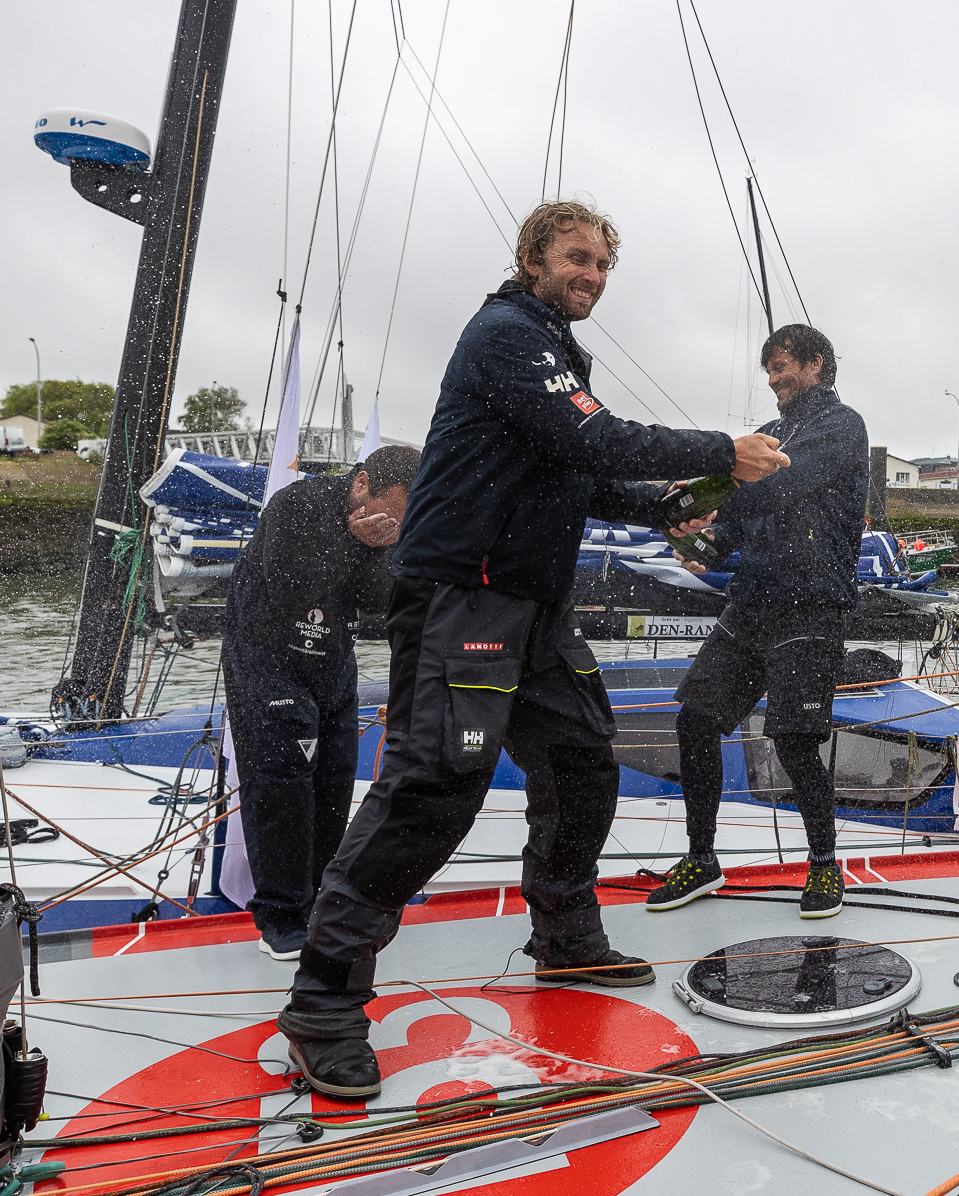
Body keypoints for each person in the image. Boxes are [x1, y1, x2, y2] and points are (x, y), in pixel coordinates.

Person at [275, 199, 789, 1099]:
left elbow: (573, 471)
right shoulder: (507, 334)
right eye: (576, 258)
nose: (590, 275)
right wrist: (720, 448)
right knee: (434, 787)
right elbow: (590, 436)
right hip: (464, 594)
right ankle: (322, 1003)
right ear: (534, 258)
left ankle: (566, 939)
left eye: (602, 265)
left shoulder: (553, 350)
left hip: (533, 606)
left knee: (586, 759)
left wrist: (670, 502)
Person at [648, 324, 868, 918]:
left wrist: (714, 499)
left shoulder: (843, 428)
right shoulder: (767, 434)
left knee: (795, 742)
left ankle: (825, 864)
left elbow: (787, 486)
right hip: (754, 602)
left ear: (817, 364)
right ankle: (702, 859)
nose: (774, 380)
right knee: (696, 720)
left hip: (813, 605)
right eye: (768, 370)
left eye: (784, 367)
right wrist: (704, 541)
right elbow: (738, 528)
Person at [222, 445, 422, 960]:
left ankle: (319, 902)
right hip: (266, 655)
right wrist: (354, 540)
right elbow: (293, 589)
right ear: (362, 485)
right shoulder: (298, 504)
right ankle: (280, 914)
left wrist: (380, 550)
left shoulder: (385, 529)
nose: (391, 525)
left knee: (335, 780)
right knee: (281, 783)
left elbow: (378, 604)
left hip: (333, 658)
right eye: (391, 512)